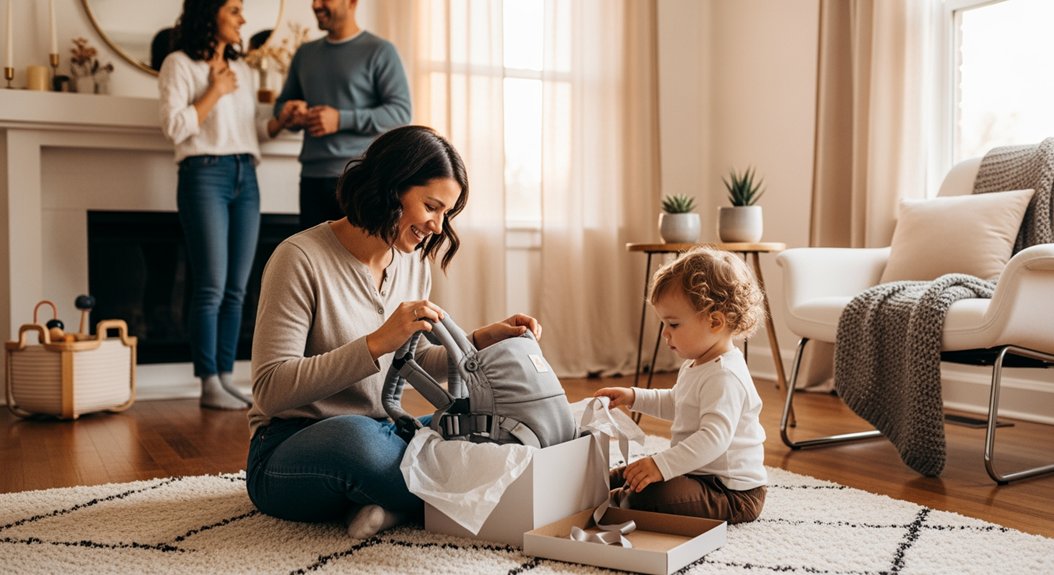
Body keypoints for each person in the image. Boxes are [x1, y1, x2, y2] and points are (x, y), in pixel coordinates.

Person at [246, 125, 542, 539]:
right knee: (360, 441)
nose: (438, 227)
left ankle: (392, 505)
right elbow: (271, 389)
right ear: (391, 187)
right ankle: (486, 500)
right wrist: (375, 343)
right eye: (432, 206)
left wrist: (477, 341)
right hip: (288, 449)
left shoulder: (412, 264)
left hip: (383, 429)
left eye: (446, 214)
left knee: (475, 424)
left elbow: (411, 362)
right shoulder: (298, 259)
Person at [159, 0, 299, 410]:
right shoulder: (178, 64)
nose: (243, 19)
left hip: (245, 174)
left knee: (237, 289)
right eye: (235, 9)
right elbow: (174, 126)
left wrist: (278, 121)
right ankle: (208, 382)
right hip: (204, 173)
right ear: (210, 12)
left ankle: (223, 376)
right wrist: (213, 91)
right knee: (210, 285)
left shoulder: (242, 69)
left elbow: (247, 128)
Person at [594, 247, 768, 524]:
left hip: (731, 493)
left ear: (714, 321)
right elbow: (677, 402)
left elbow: (714, 439)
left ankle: (605, 504)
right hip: (698, 474)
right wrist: (632, 397)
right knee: (624, 475)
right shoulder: (697, 364)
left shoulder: (725, 375)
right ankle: (598, 489)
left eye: (673, 324)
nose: (665, 333)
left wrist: (661, 465)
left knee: (642, 495)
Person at [271, 0, 412, 231]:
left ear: (351, 3)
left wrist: (340, 119)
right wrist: (291, 114)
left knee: (355, 262)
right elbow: (281, 106)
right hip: (312, 179)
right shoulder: (305, 53)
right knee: (311, 261)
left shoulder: (380, 51)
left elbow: (400, 112)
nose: (316, 5)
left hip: (360, 179)